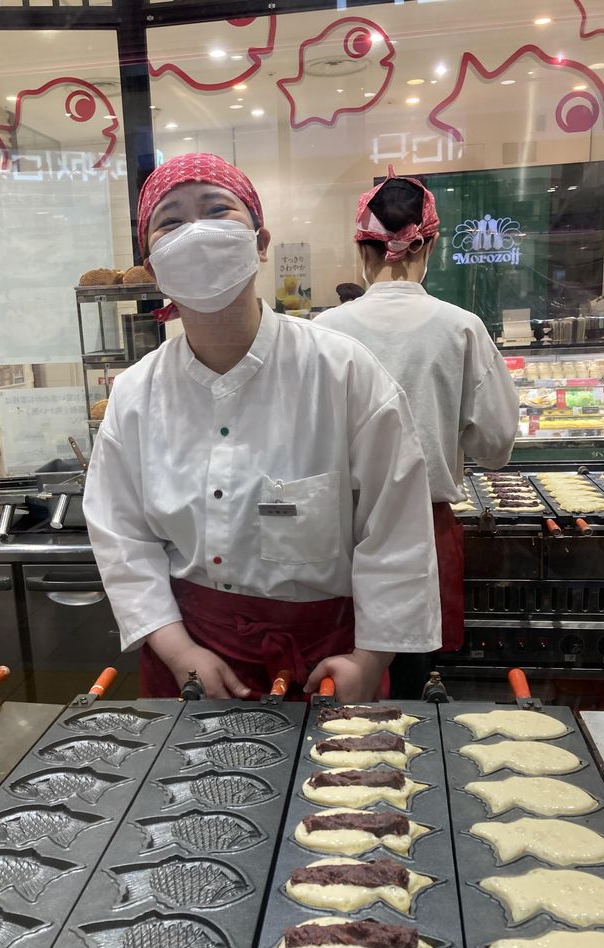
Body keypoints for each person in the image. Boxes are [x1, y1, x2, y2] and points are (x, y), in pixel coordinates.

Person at [83, 153, 441, 702]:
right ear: (153, 269)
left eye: (216, 210)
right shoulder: (135, 394)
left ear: (261, 242)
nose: (196, 231)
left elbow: (397, 526)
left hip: (328, 665)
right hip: (187, 663)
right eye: (171, 221)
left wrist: (370, 659)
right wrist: (178, 652)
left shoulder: (343, 372)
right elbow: (121, 538)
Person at [315, 167, 518, 693]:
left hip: (335, 532)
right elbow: (495, 446)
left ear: (361, 248)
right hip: (423, 527)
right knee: (408, 690)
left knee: (337, 685)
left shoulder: (323, 332)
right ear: (428, 244)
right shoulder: (461, 328)